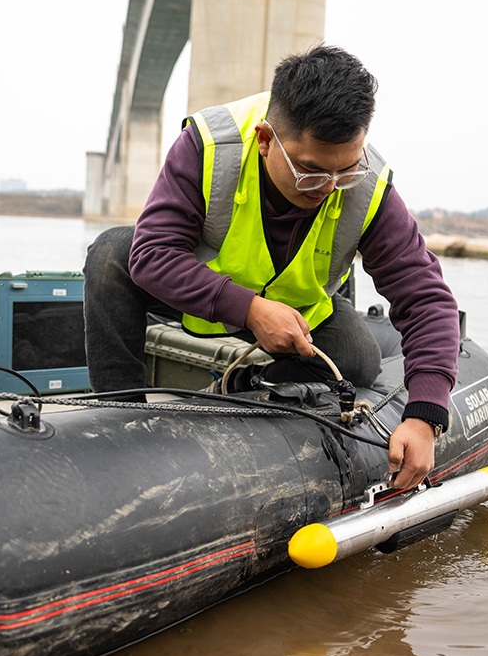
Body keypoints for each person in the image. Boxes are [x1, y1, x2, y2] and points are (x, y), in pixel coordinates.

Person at [83, 45, 460, 490]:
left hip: (296, 311)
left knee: (358, 358)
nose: (327, 188)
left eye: (345, 172)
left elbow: (426, 298)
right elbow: (152, 255)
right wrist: (250, 309)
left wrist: (426, 414)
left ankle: (244, 388)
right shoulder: (209, 145)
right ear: (265, 140)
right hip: (194, 291)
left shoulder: (369, 186)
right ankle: (121, 414)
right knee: (111, 255)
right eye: (310, 172)